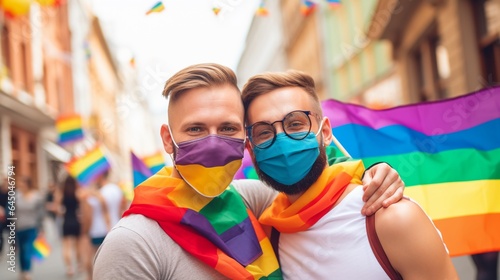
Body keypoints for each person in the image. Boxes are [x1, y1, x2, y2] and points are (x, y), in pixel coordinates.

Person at [93, 63, 405, 279]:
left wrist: (375, 173)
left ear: (245, 140)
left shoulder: (251, 200)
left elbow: (320, 181)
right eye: (196, 129)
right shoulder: (133, 243)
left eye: (227, 128)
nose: (213, 142)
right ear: (167, 139)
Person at [241, 70, 458, 279]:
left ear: (325, 133)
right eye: (264, 132)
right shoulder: (270, 233)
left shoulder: (392, 219)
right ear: (251, 149)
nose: (282, 140)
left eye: (295, 124)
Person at [86, 169, 124, 279]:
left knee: (95, 260)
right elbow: (121, 208)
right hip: (115, 226)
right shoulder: (117, 189)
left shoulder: (98, 194)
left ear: (100, 176)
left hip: (98, 230)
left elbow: (91, 214)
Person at [16, 176, 45, 280]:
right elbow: (10, 211)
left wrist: (41, 228)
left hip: (31, 226)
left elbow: (40, 213)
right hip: (18, 227)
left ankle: (27, 271)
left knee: (27, 248)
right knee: (21, 251)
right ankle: (22, 270)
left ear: (28, 185)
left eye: (23, 183)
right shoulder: (16, 196)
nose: (21, 186)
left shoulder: (36, 197)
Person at [60, 175, 84, 276]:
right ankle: (79, 264)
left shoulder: (62, 193)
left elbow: (58, 209)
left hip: (66, 221)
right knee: (78, 245)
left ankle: (69, 268)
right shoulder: (77, 192)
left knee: (66, 246)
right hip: (76, 221)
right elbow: (82, 207)